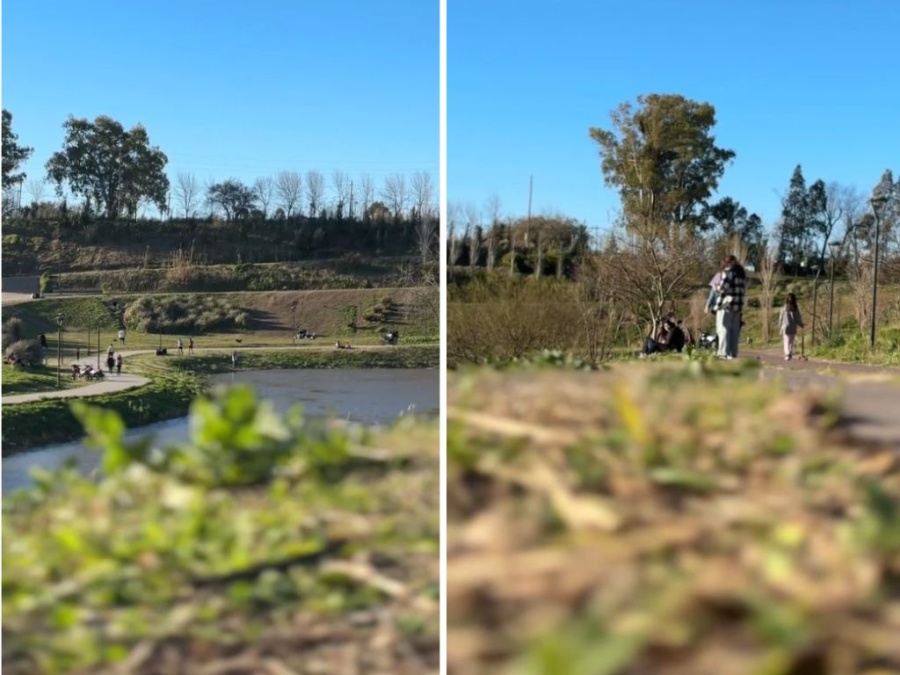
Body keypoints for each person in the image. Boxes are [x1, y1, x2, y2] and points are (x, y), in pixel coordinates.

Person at [713, 255, 747, 359]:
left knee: (723, 328)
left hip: (726, 305)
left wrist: (716, 287)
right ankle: (732, 352)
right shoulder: (741, 274)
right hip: (738, 306)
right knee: (734, 330)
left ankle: (723, 352)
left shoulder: (728, 273)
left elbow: (723, 288)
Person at [778, 293, 804, 361]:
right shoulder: (795, 308)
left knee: (786, 340)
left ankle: (787, 354)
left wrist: (780, 325)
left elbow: (781, 317)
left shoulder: (784, 308)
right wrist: (801, 324)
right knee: (791, 341)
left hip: (785, 326)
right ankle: (790, 353)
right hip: (793, 326)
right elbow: (798, 317)